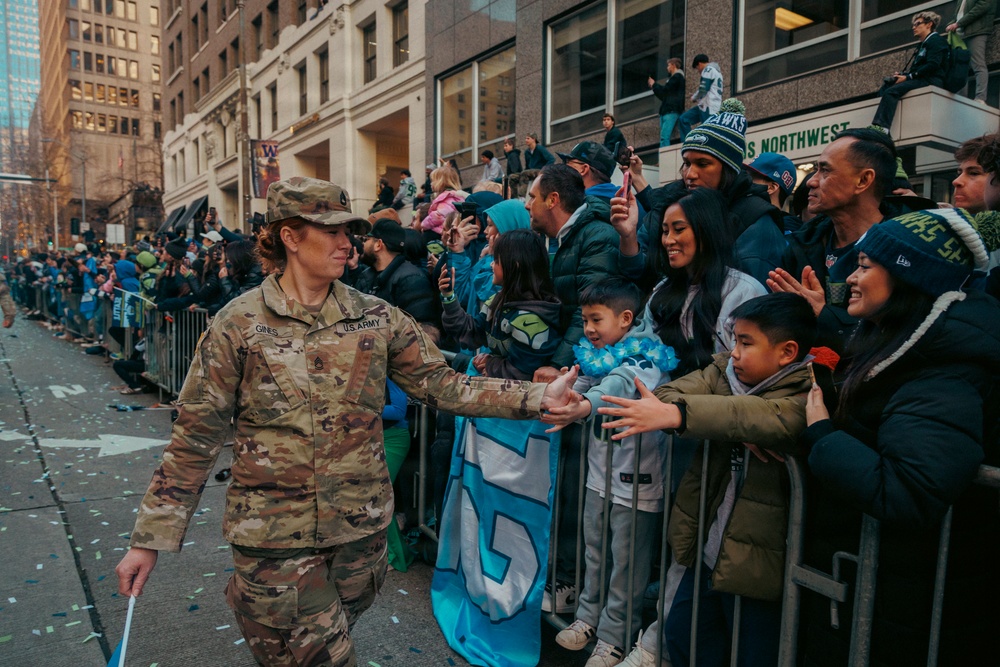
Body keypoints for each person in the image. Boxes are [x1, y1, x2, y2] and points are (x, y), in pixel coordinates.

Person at [115, 176, 581, 667]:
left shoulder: (376, 317)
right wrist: (150, 538)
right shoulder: (238, 324)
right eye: (332, 231)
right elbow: (195, 437)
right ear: (290, 237)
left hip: (359, 538)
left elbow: (444, 385)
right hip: (276, 541)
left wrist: (538, 396)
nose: (347, 243)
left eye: (350, 231)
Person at [799, 208, 999, 666]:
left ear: (910, 277)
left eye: (865, 266)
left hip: (910, 608)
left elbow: (909, 489)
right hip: (883, 594)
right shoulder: (902, 340)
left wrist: (822, 435)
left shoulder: (946, 370)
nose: (850, 277)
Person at [596, 292, 818, 667]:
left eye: (746, 343)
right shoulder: (723, 372)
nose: (735, 353)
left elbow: (770, 417)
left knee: (750, 654)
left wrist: (697, 418)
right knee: (683, 636)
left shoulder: (809, 391)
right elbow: (665, 395)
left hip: (758, 566)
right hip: (708, 549)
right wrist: (732, 426)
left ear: (787, 352)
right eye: (734, 341)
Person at [543, 278, 676, 667]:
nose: (588, 328)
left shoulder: (646, 357)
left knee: (626, 566)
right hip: (599, 477)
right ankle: (587, 618)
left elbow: (615, 386)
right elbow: (587, 382)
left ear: (626, 318)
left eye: (596, 319)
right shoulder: (601, 354)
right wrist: (564, 389)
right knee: (595, 553)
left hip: (638, 484)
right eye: (584, 320)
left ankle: (614, 638)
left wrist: (583, 404)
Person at [616, 100, 785, 288]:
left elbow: (752, 297)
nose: (690, 174)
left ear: (728, 168)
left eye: (703, 164)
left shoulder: (755, 221)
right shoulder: (667, 205)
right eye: (687, 163)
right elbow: (637, 272)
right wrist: (628, 236)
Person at [769, 128, 896, 352]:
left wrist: (824, 315)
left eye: (825, 170)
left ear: (863, 180)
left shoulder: (901, 254)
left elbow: (898, 340)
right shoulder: (802, 243)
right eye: (815, 170)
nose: (811, 182)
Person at [525, 164, 621, 378]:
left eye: (532, 197)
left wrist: (558, 364)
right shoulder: (547, 238)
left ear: (552, 200)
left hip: (586, 369)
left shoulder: (598, 238)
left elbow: (589, 308)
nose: (527, 205)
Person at [439, 228, 562, 380]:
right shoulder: (498, 301)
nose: (491, 265)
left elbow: (521, 373)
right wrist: (449, 297)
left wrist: (490, 364)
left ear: (515, 266)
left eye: (496, 260)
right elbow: (471, 332)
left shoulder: (532, 320)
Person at [361, 218, 442, 341]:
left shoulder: (412, 280)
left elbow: (426, 331)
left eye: (366, 239)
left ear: (378, 244)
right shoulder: (366, 276)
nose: (363, 244)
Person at [871, 11, 948, 132]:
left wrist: (909, 77)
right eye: (913, 25)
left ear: (929, 24)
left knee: (891, 91)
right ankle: (877, 121)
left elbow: (933, 65)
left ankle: (883, 128)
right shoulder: (924, 43)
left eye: (918, 24)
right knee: (886, 86)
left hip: (931, 80)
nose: (914, 27)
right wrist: (904, 75)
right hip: (921, 78)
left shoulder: (936, 40)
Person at [946, 0, 995, 104]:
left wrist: (958, 24)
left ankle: (980, 98)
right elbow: (958, 15)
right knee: (962, 67)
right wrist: (952, 24)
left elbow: (981, 8)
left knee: (978, 65)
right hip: (962, 33)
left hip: (977, 31)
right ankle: (961, 99)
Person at [744, 152, 802, 233]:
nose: (744, 181)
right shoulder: (746, 220)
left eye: (751, 177)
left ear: (771, 187)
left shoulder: (787, 235)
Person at [678, 54, 723, 141]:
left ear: (699, 64)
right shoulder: (717, 73)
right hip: (707, 105)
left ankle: (692, 143)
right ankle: (689, 141)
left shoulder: (708, 70)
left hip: (708, 106)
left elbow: (703, 89)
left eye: (697, 68)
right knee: (683, 119)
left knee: (708, 132)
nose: (698, 71)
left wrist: (695, 97)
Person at [649, 58, 685, 147]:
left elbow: (665, 91)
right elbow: (664, 95)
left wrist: (654, 84)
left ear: (673, 65)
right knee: (664, 137)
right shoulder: (674, 78)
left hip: (671, 110)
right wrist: (654, 86)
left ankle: (664, 155)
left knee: (664, 137)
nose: (667, 68)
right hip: (667, 111)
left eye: (668, 65)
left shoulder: (677, 77)